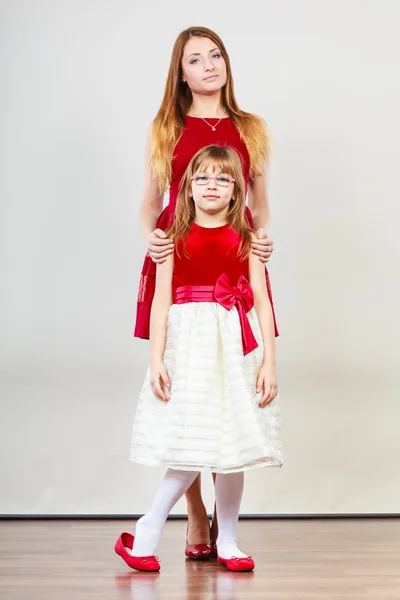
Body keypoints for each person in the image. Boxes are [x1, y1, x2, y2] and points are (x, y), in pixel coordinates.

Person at [135, 25, 279, 557]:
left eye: (215, 55)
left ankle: (228, 525)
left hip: (233, 261)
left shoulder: (250, 127)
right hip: (178, 258)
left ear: (225, 64)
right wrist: (154, 240)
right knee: (189, 392)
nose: (209, 66)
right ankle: (195, 514)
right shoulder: (166, 127)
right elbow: (151, 203)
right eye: (195, 60)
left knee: (229, 389)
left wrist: (260, 240)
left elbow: (260, 205)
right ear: (182, 73)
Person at [115, 145, 284, 572]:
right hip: (189, 345)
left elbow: (262, 302)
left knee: (232, 445)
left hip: (235, 344)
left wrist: (269, 362)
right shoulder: (172, 239)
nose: (212, 186)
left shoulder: (247, 239)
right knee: (191, 441)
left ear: (238, 191)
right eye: (203, 178)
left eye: (224, 179)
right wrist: (156, 359)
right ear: (187, 188)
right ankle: (148, 529)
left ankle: (226, 538)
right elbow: (160, 301)